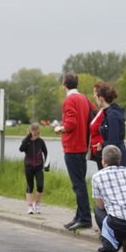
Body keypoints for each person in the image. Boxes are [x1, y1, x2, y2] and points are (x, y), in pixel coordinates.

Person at [55, 72, 95, 231]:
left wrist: (59, 128)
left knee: (78, 185)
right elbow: (93, 112)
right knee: (80, 182)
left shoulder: (69, 100)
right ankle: (79, 216)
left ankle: (85, 218)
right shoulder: (84, 98)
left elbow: (70, 124)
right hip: (83, 145)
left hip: (72, 146)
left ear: (64, 84)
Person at [96, 82, 126, 167]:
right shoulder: (110, 113)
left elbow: (113, 141)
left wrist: (104, 146)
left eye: (96, 97)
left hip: (115, 158)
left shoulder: (112, 115)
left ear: (101, 98)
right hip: (114, 154)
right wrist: (102, 144)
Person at [19, 123, 48, 214]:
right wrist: (28, 136)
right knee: (30, 186)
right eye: (33, 133)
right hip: (29, 166)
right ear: (30, 131)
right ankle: (30, 206)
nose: (35, 135)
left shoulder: (41, 141)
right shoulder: (26, 141)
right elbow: (21, 149)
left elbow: (46, 153)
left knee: (40, 185)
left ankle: (37, 204)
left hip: (39, 166)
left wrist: (47, 165)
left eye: (37, 133)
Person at [90, 82, 107, 170]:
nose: (93, 96)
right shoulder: (100, 110)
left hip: (102, 151)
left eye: (94, 93)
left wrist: (101, 144)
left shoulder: (106, 112)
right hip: (97, 151)